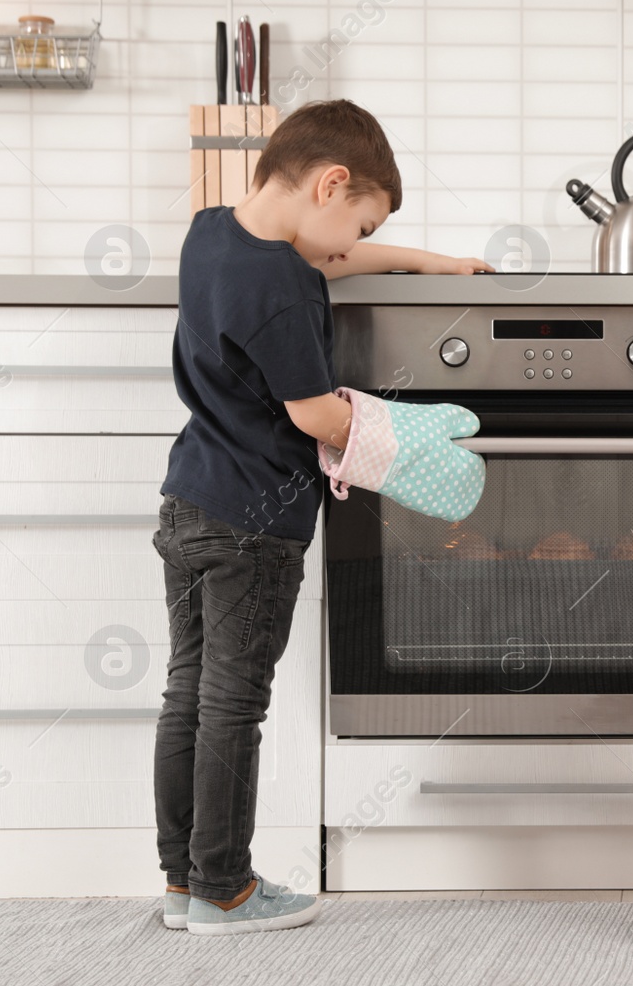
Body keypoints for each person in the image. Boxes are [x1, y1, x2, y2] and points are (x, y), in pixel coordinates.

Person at [151, 99, 490, 936]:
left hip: (189, 502)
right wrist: (413, 444)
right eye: (358, 224)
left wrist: (428, 263)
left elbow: (320, 258)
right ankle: (227, 891)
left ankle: (185, 881)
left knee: (189, 694)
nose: (349, 246)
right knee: (235, 703)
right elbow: (318, 418)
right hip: (253, 528)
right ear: (329, 183)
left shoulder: (215, 233)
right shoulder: (279, 295)